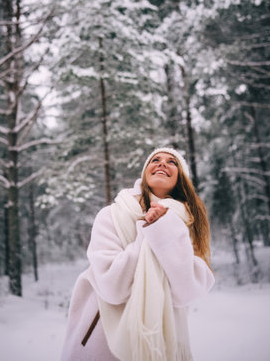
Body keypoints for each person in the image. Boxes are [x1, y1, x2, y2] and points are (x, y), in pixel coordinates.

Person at [61, 147, 215, 361]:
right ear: (145, 171)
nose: (162, 163)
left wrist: (166, 230)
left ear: (181, 179)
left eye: (172, 162)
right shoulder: (111, 215)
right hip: (103, 340)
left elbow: (187, 292)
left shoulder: (187, 223)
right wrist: (148, 231)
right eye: (155, 159)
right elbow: (112, 287)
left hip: (160, 346)